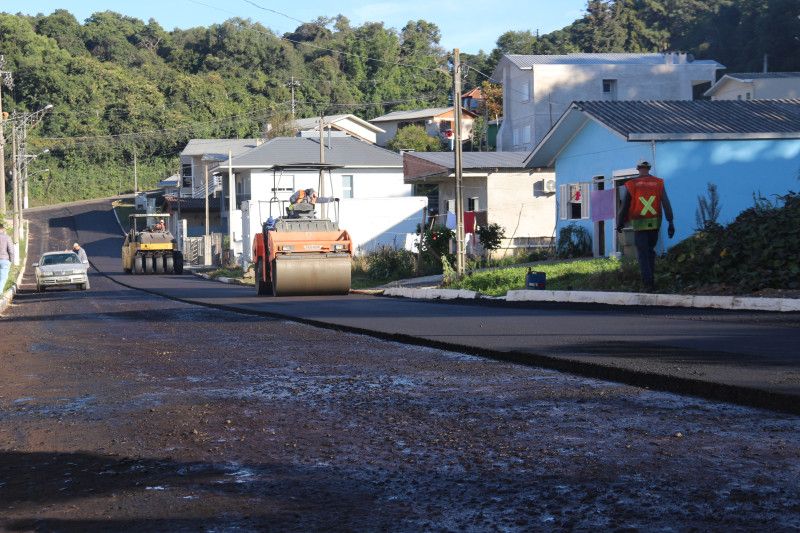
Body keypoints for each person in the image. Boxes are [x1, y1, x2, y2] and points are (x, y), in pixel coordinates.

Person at [616, 159, 675, 291]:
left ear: (638, 168)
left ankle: (648, 284)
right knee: (650, 251)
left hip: (639, 224)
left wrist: (619, 223)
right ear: (649, 168)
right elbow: (666, 202)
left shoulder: (632, 184)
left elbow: (624, 206)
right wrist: (670, 222)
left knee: (642, 253)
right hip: (655, 224)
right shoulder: (658, 183)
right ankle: (651, 280)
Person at [0, 222, 15, 291]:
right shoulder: (7, 237)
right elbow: (11, 251)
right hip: (4, 260)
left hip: (4, 260)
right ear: (2, 229)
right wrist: (12, 261)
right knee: (3, 278)